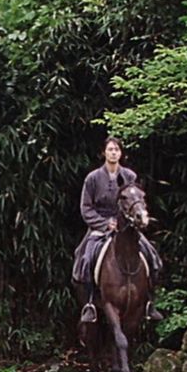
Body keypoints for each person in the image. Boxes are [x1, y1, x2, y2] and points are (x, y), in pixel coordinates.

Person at [71, 136, 163, 323]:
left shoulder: (130, 176)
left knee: (153, 257)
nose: (113, 153)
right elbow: (86, 208)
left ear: (121, 153)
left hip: (127, 225)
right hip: (101, 225)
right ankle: (89, 305)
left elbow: (136, 201)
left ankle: (149, 303)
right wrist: (104, 224)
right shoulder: (93, 178)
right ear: (104, 152)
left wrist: (137, 218)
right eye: (110, 149)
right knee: (85, 259)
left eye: (117, 150)